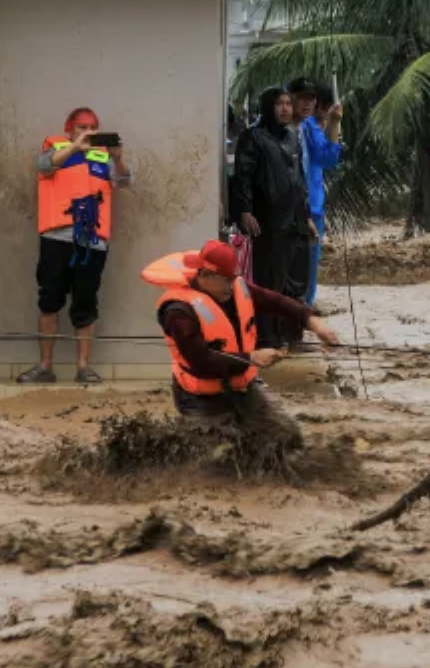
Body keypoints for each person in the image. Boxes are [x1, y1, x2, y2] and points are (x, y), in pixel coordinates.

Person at [142, 240, 339, 432]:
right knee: (221, 454)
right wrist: (252, 358)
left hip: (241, 387)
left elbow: (276, 301)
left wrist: (313, 322)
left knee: (285, 433)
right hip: (200, 398)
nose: (232, 285)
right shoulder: (178, 312)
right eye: (227, 280)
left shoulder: (235, 288)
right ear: (206, 275)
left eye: (234, 278)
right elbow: (201, 361)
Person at [19, 107, 132, 385]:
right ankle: (45, 366)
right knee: (49, 301)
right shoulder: (55, 149)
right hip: (56, 238)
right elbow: (44, 167)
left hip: (91, 241)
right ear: (69, 129)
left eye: (93, 127)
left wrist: (118, 159)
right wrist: (74, 147)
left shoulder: (102, 156)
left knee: (85, 303)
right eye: (82, 127)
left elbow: (125, 181)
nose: (88, 132)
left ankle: (83, 366)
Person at [230, 87, 311, 349]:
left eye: (289, 103)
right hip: (269, 222)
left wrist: (306, 215)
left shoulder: (292, 137)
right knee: (270, 284)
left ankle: (293, 337)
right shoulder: (252, 137)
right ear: (268, 107)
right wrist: (244, 210)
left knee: (297, 282)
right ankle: (268, 339)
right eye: (280, 104)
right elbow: (242, 176)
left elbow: (299, 180)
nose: (286, 108)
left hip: (296, 222)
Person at [287, 79, 344, 306]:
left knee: (306, 270)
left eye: (311, 99)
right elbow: (327, 157)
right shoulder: (308, 126)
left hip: (312, 207)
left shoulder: (307, 127)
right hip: (304, 208)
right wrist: (334, 125)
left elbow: (326, 158)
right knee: (305, 272)